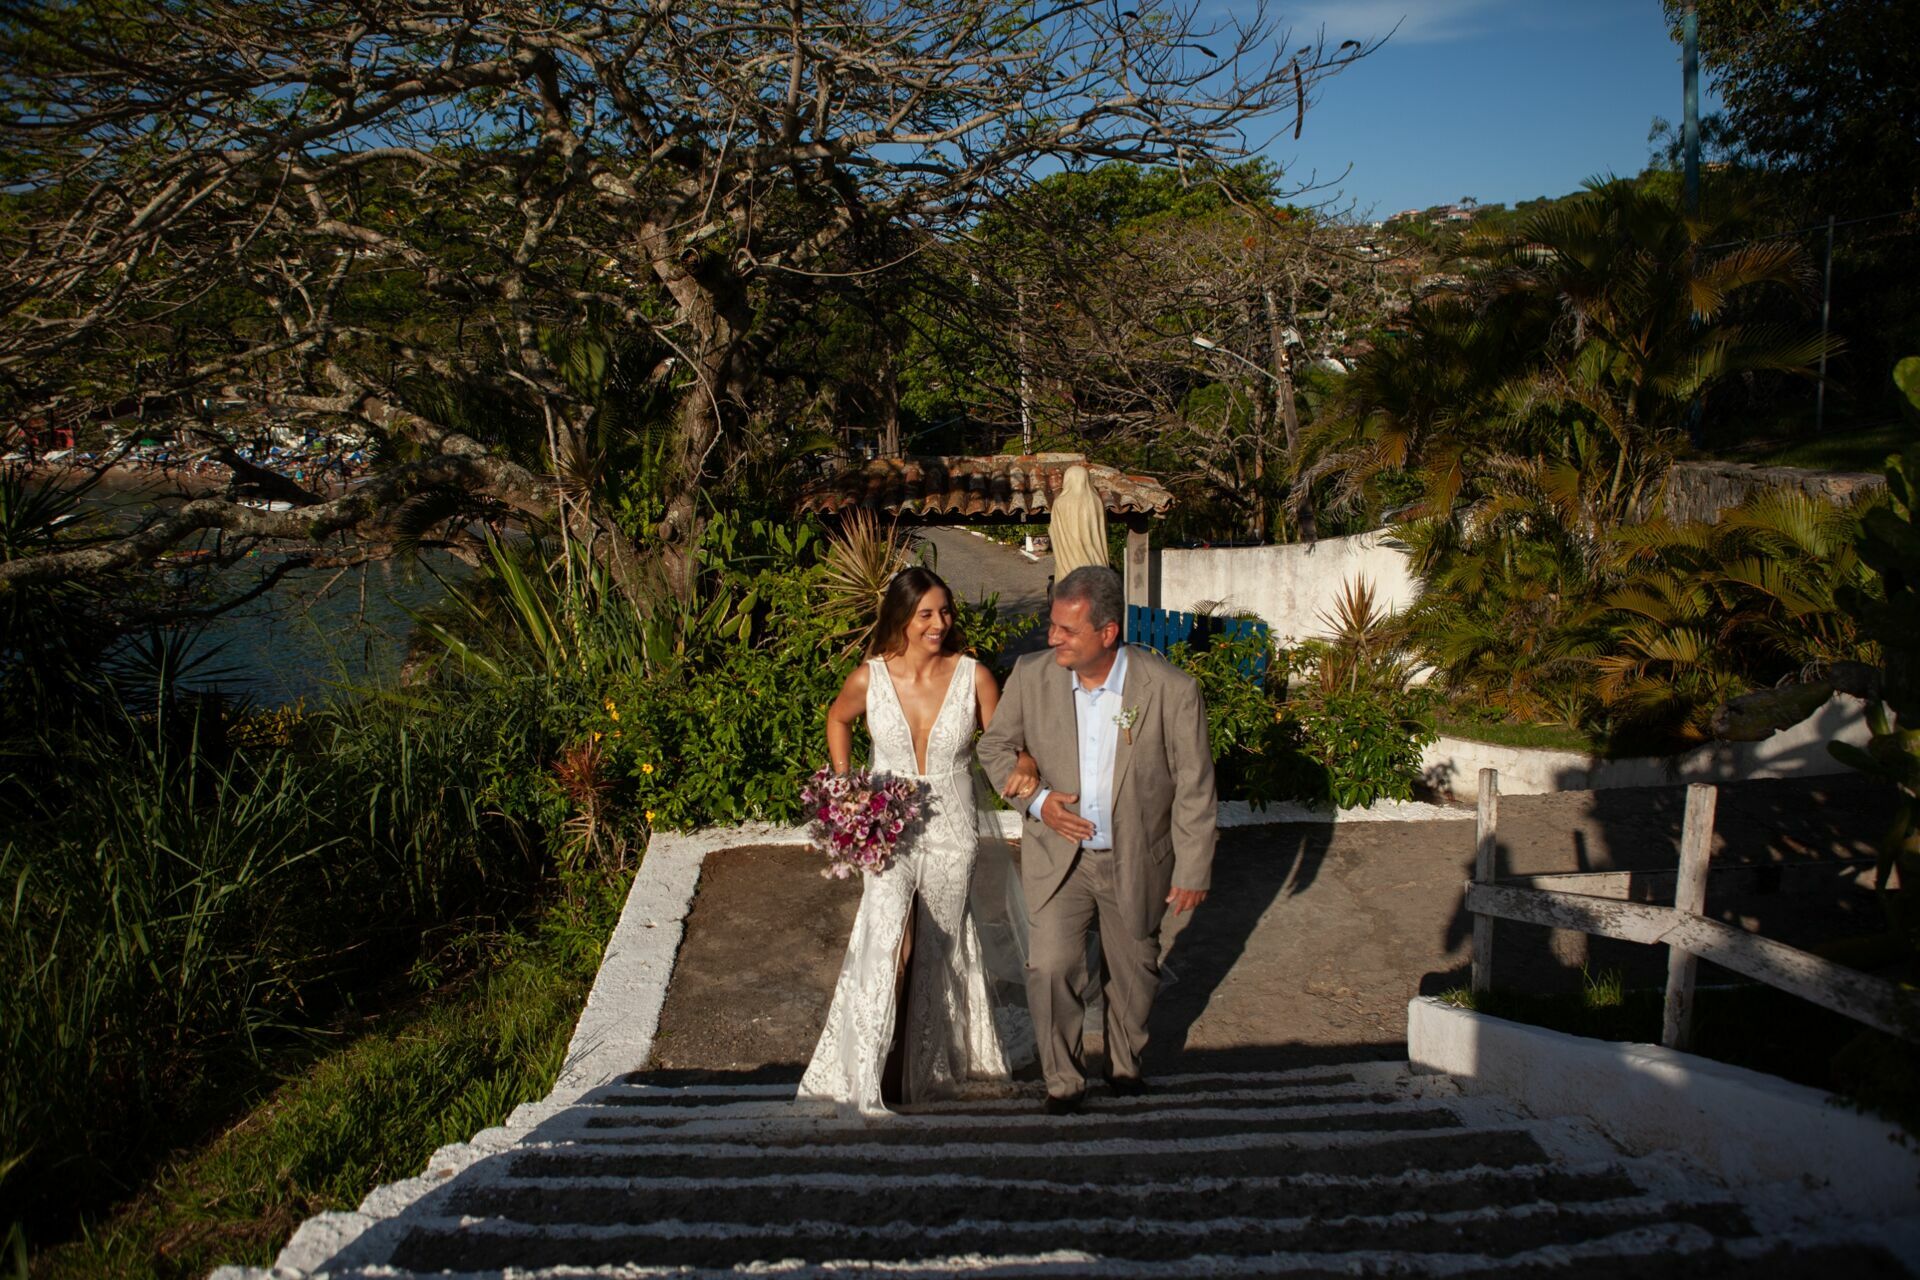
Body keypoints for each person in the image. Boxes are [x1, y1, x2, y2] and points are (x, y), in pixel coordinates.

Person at [798, 567, 1039, 1116]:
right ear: (902, 618)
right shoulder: (871, 677)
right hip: (888, 829)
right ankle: (872, 1069)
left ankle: (923, 1069)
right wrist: (846, 786)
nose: (939, 623)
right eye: (926, 613)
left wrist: (1024, 758)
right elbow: (838, 719)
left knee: (938, 946)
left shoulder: (974, 675)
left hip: (954, 831)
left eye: (945, 611)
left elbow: (1001, 745)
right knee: (889, 936)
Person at [977, 565, 1217, 1114]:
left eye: (1067, 629)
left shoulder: (1172, 691)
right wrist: (1037, 802)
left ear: (1107, 633)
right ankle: (1062, 1081)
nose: (1052, 637)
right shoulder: (1032, 676)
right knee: (1052, 966)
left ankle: (1124, 1066)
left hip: (1136, 858)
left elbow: (1195, 789)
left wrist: (1193, 870)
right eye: (1053, 625)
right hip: (1058, 858)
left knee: (1134, 972)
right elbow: (994, 748)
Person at [1049, 463, 1108, 579]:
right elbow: (1103, 530)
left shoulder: (1060, 503)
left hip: (1068, 567)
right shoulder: (1097, 502)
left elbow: (1054, 530)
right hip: (1096, 563)